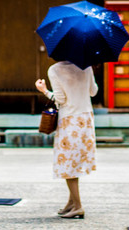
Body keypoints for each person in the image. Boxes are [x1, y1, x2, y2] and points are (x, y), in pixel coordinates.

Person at [35, 60, 98, 220]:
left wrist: (44, 91)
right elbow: (93, 92)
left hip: (70, 120)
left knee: (69, 165)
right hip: (86, 119)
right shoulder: (87, 66)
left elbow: (61, 99)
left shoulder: (55, 69)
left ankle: (78, 206)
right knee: (75, 163)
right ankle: (71, 203)